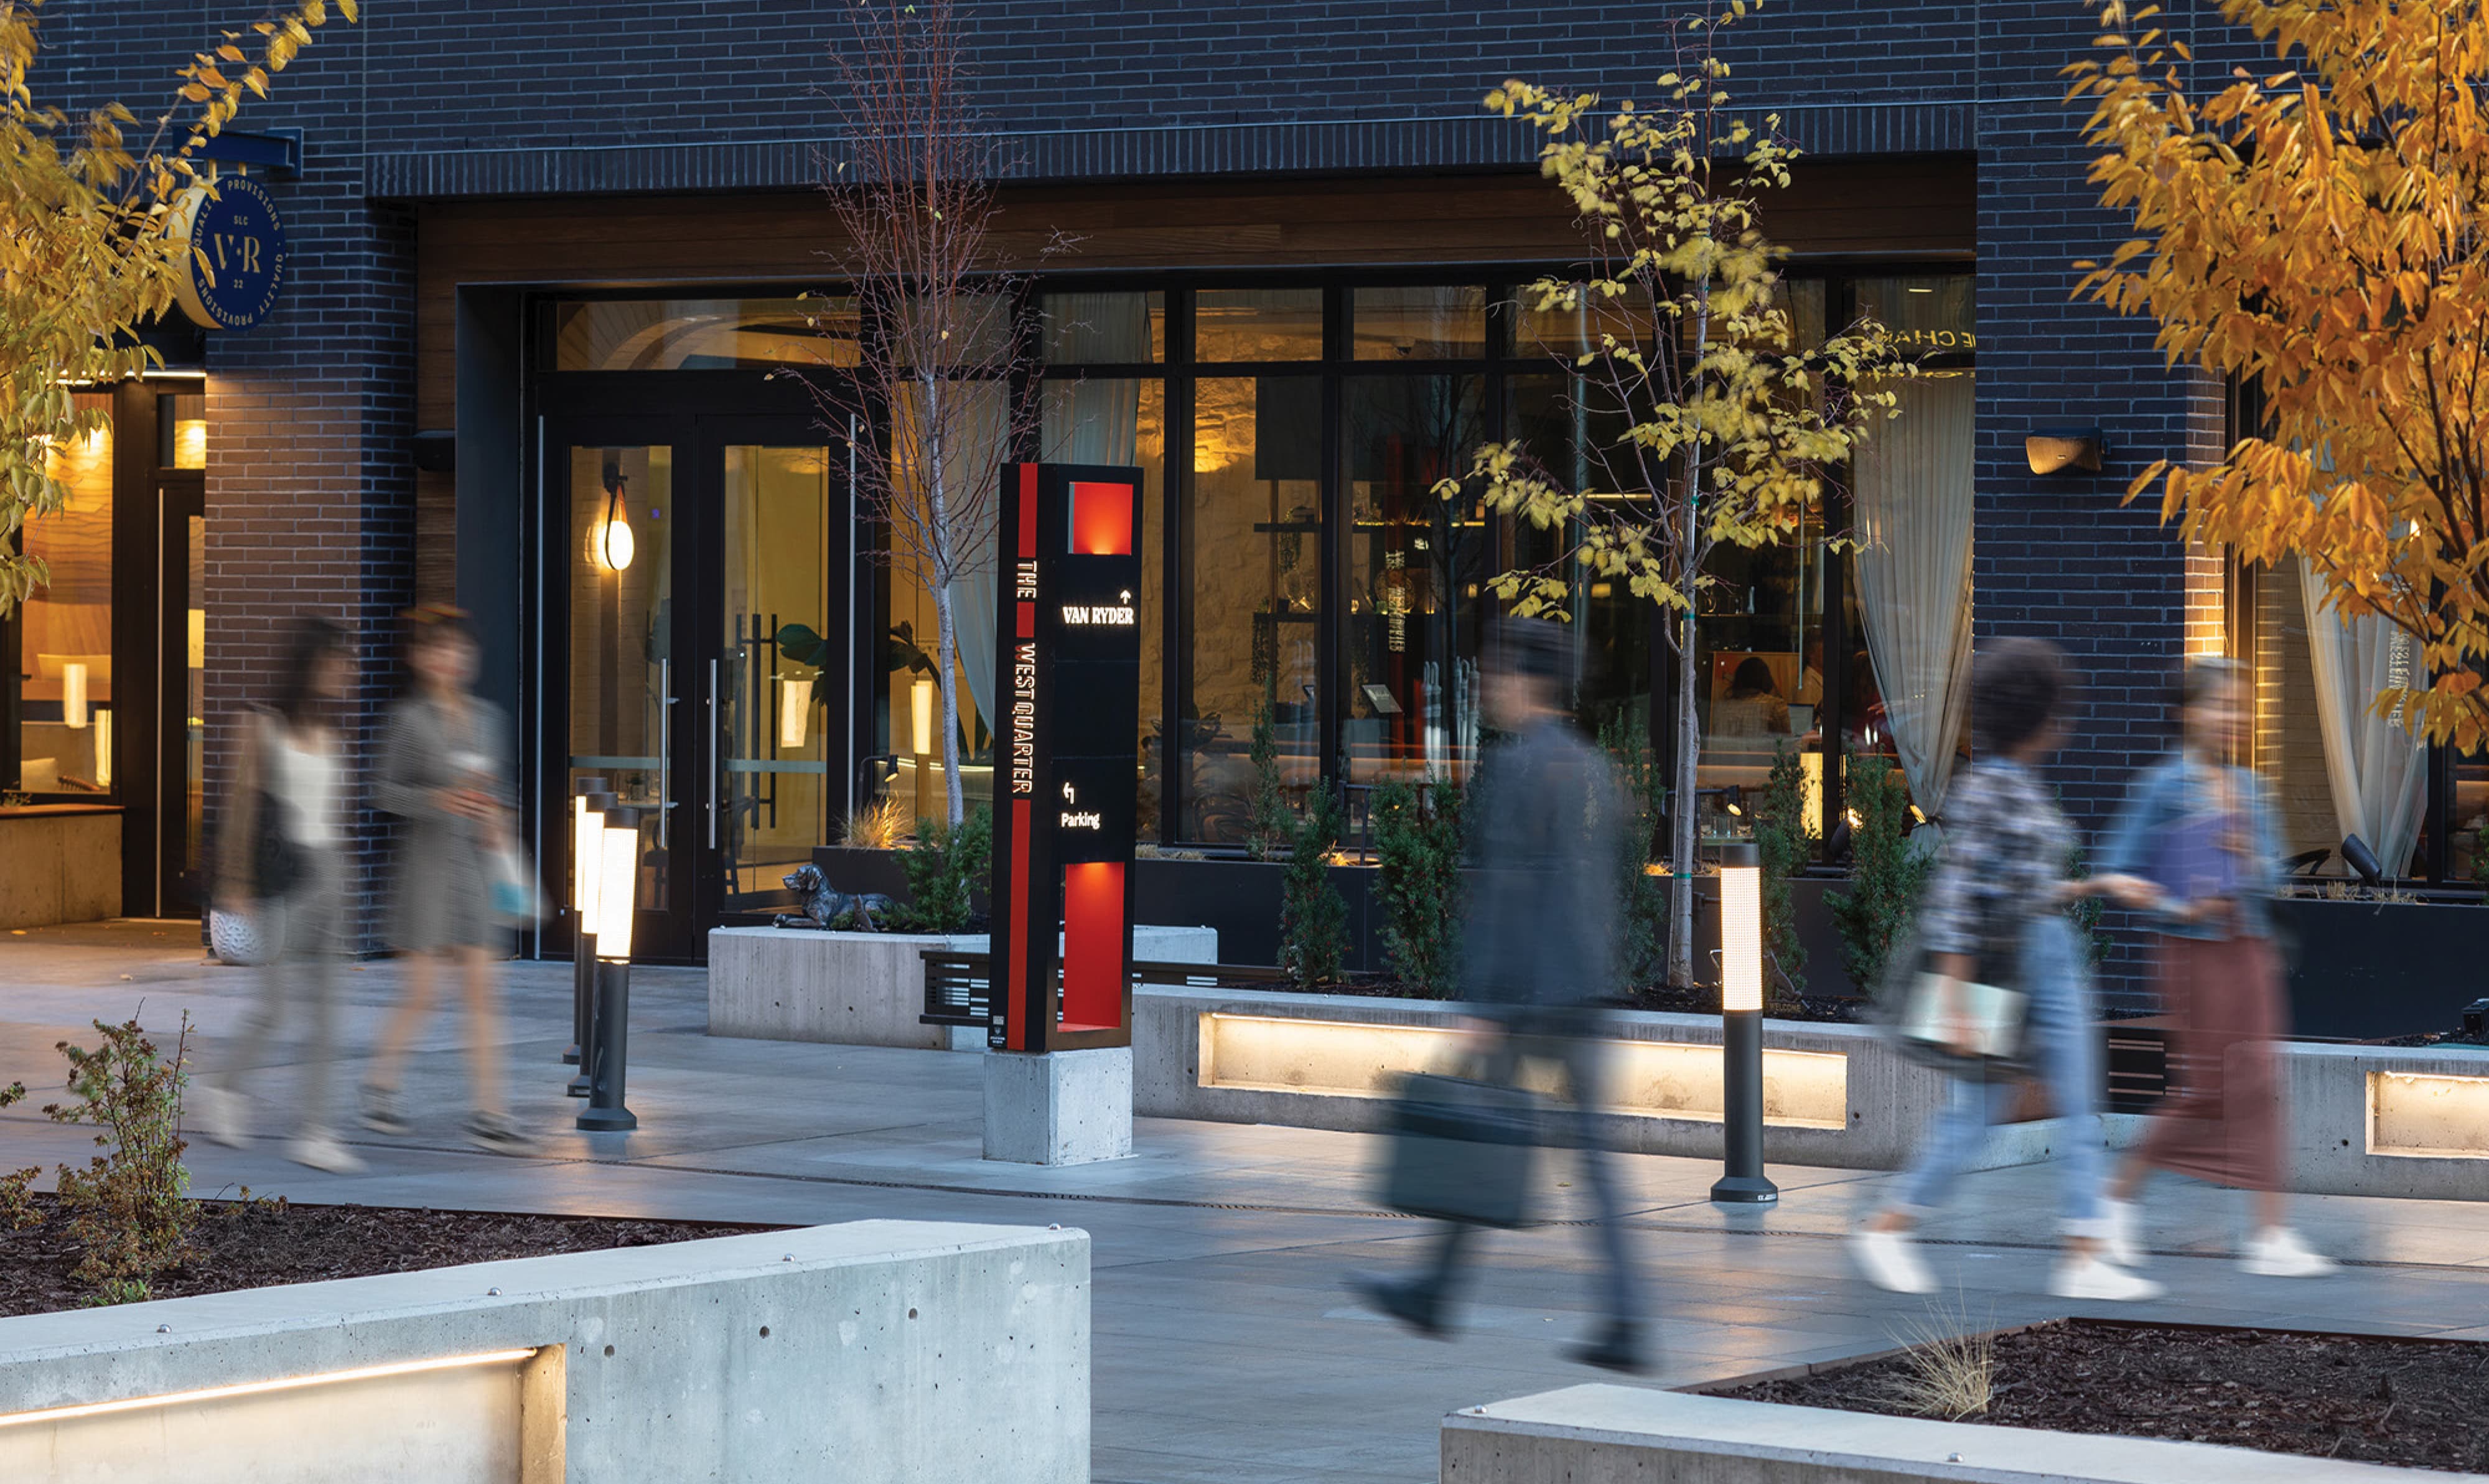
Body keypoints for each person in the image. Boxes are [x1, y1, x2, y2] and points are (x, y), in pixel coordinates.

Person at [1350, 618, 1645, 1372]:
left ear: (1523, 679)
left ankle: (1434, 1292)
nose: (1487, 688)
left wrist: (1483, 1000)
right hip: (1584, 985)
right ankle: (1622, 1319)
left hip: (1525, 992)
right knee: (1581, 1158)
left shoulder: (1518, 766)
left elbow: (1507, 892)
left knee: (1474, 1133)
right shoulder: (1591, 764)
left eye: (1494, 674)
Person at [1850, 637, 2164, 1300]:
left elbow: (2016, 889)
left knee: (2062, 1105)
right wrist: (1956, 998)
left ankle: (2079, 1250)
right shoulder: (1995, 790)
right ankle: (1891, 1226)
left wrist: (2098, 885)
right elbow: (1959, 898)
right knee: (1997, 1110)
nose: (2065, 724)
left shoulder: (2008, 784)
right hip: (2018, 965)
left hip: (2036, 955)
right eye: (2059, 712)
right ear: (2040, 718)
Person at [2098, 657, 2333, 1278]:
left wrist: (2246, 852)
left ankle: (2270, 1234)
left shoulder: (2250, 787)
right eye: (2218, 704)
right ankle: (2114, 1200)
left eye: (2238, 706)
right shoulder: (2161, 788)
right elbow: (2116, 870)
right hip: (2192, 951)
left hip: (2249, 947)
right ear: (2187, 713)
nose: (2231, 716)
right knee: (2209, 1090)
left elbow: (2272, 872)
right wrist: (2178, 903)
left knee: (2261, 1083)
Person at [194, 615, 365, 1173]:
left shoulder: (332, 733)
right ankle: (222, 1088)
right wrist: (235, 884)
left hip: (331, 876)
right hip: (284, 880)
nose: (347, 670)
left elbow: (331, 815)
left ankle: (316, 1131)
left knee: (329, 1015)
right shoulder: (262, 725)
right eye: (339, 658)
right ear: (311, 661)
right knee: (277, 1010)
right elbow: (240, 810)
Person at [360, 605, 531, 1151]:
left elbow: (501, 791)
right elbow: (383, 790)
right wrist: (438, 799)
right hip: (426, 874)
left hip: (476, 871)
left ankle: (492, 1112)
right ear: (421, 658)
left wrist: (497, 814)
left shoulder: (488, 719)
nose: (452, 658)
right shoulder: (408, 720)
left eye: (460, 649)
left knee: (485, 994)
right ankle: (380, 1087)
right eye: (440, 649)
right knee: (424, 993)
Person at [1712, 656, 1791, 737]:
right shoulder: (1775, 706)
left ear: (1738, 679)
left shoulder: (1720, 707)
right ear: (1766, 679)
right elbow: (1786, 741)